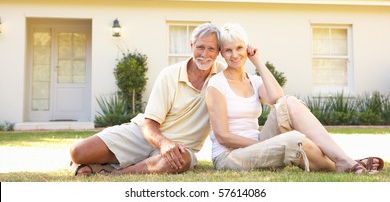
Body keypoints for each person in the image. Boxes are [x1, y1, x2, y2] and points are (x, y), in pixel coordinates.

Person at [205, 22, 384, 174]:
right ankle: (347, 163)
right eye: (228, 50)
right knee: (294, 139)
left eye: (239, 48)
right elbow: (223, 136)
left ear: (247, 48)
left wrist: (258, 62)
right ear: (222, 53)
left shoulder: (254, 80)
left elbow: (278, 99)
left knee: (289, 102)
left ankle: (345, 161)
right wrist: (267, 144)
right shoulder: (217, 84)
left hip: (258, 144)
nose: (234, 55)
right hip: (230, 156)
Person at [70, 23, 225, 175]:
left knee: (182, 160)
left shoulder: (224, 77)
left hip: (180, 147)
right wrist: (164, 143)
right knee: (78, 152)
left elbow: (246, 81)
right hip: (144, 135)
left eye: (211, 49)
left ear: (218, 51)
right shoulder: (169, 74)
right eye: (200, 47)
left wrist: (250, 57)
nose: (205, 55)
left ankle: (114, 172)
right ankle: (106, 164)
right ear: (191, 45)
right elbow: (149, 124)